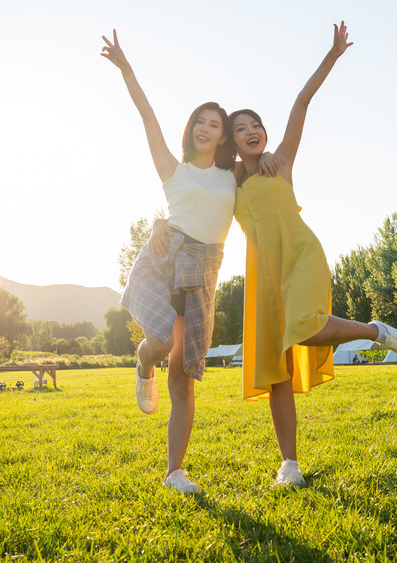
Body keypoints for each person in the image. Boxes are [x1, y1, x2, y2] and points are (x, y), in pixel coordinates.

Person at [228, 21, 397, 488]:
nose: (252, 131)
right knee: (275, 372)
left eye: (256, 125)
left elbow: (301, 102)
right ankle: (289, 464)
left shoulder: (283, 162)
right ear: (231, 142)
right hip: (261, 276)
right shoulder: (227, 182)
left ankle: (376, 331)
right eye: (241, 129)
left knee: (308, 327)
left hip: (301, 256)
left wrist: (332, 56)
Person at [100, 29, 272, 495]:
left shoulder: (231, 174)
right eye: (201, 120)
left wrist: (268, 153)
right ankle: (141, 365)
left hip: (205, 270)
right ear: (191, 128)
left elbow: (257, 155)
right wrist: (126, 69)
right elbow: (147, 114)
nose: (206, 127)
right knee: (156, 342)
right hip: (164, 257)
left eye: (215, 124)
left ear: (222, 137)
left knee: (185, 378)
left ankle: (175, 472)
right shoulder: (172, 169)